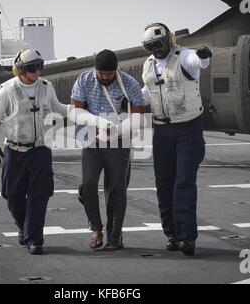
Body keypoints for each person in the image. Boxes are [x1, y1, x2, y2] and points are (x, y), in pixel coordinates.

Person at [0, 49, 68, 255]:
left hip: (40, 149)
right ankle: (24, 227)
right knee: (12, 195)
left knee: (39, 196)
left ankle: (35, 240)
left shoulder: (47, 87)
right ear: (20, 70)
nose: (36, 73)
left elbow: (59, 108)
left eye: (39, 67)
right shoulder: (7, 90)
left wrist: (82, 110)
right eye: (31, 69)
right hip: (14, 150)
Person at [141, 23, 212, 256]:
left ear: (168, 41)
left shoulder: (184, 57)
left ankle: (187, 236)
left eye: (158, 44)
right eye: (150, 46)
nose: (155, 50)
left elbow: (197, 62)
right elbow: (148, 91)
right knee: (164, 184)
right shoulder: (148, 64)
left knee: (184, 182)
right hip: (161, 131)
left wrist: (203, 57)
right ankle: (171, 233)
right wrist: (131, 100)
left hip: (188, 130)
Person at [69, 49, 145, 251]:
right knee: (88, 184)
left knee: (117, 189)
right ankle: (96, 228)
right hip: (92, 142)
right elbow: (75, 111)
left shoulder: (130, 83)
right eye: (101, 73)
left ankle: (114, 235)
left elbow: (138, 118)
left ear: (116, 70)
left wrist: (115, 130)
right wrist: (99, 122)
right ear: (96, 70)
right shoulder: (84, 80)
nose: (105, 77)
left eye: (109, 74)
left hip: (119, 144)